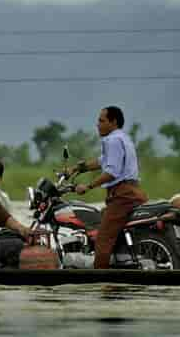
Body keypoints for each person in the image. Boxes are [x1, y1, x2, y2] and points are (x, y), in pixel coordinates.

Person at [68, 106, 148, 269]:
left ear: (113, 122)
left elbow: (111, 171)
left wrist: (88, 186)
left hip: (122, 195)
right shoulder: (122, 138)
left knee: (102, 239)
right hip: (132, 192)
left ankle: (102, 282)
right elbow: (102, 160)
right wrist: (78, 168)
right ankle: (117, 263)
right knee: (102, 218)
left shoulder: (112, 140)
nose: (97, 124)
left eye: (101, 121)